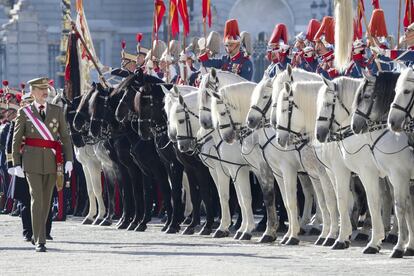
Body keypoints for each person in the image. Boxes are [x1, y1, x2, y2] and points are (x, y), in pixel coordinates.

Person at [9, 77, 73, 252]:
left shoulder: (56, 111)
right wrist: (15, 163)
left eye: (46, 88)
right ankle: (40, 239)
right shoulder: (24, 112)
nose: (45, 92)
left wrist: (69, 159)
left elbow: (65, 137)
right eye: (41, 89)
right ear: (33, 92)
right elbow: (16, 141)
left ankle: (39, 233)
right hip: (32, 161)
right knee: (36, 198)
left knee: (46, 201)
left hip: (53, 161)